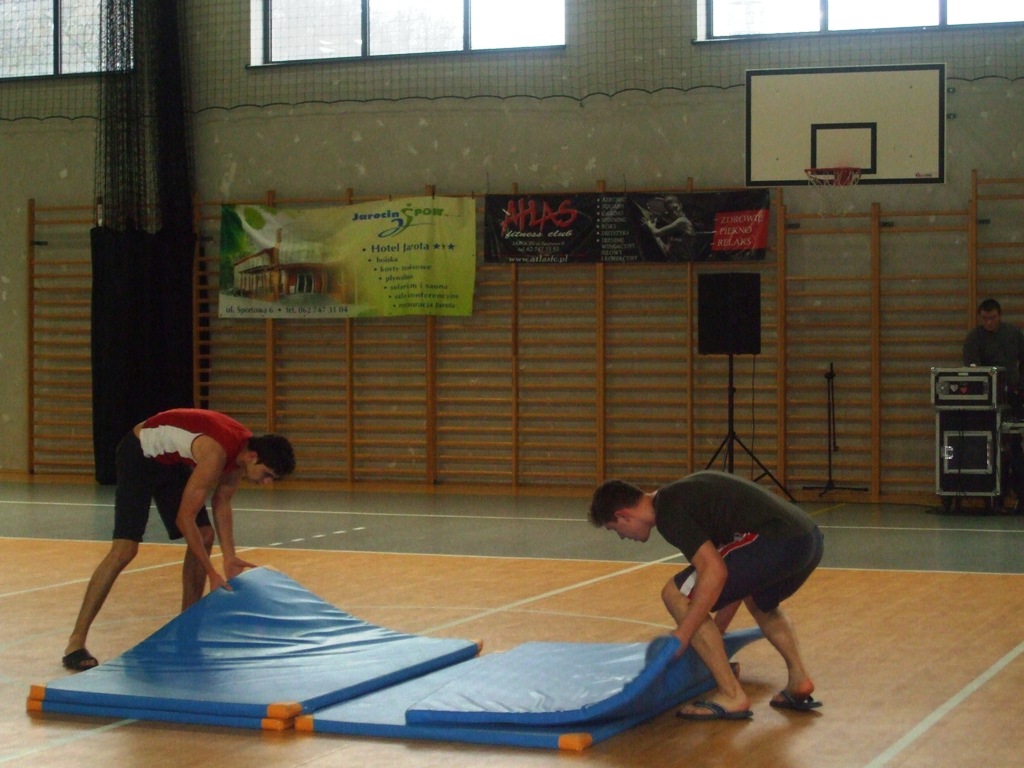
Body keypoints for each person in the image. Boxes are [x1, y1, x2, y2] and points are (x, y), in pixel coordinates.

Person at [61, 408, 296, 671]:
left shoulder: (242, 453)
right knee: (124, 550)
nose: (266, 482)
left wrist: (229, 557)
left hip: (169, 463)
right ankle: (75, 642)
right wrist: (211, 572)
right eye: (267, 474)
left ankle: (187, 630)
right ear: (253, 457)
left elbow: (222, 502)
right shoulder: (217, 452)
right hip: (139, 453)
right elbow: (185, 519)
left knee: (205, 535)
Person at [588, 470, 824, 721]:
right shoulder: (686, 496)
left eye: (616, 529)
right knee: (759, 602)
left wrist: (684, 634)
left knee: (675, 593)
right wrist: (716, 632)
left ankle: (731, 695)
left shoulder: (669, 511)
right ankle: (799, 679)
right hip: (807, 540)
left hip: (775, 542)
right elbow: (736, 576)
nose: (623, 537)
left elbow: (715, 571)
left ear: (623, 515)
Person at [962, 298, 1024, 513]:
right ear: (980, 318)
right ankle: (993, 496)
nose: (989, 322)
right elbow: (972, 370)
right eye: (985, 318)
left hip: (1012, 398)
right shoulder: (974, 339)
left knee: (1014, 447)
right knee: (989, 447)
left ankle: (1020, 495)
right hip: (987, 403)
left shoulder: (1013, 334)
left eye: (993, 318)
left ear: (1000, 316)